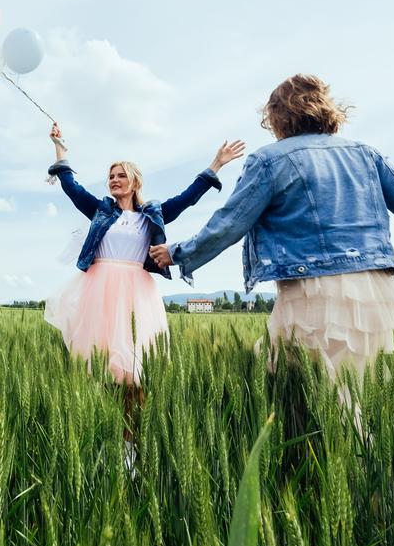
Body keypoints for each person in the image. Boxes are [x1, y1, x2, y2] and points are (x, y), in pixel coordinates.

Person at [149, 74, 394, 385]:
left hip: (313, 287)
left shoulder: (270, 160)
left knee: (302, 392)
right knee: (339, 389)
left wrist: (178, 253)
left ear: (277, 116)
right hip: (373, 290)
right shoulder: (366, 154)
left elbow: (231, 222)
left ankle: (318, 448)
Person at [44, 122, 245, 386]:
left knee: (133, 354)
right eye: (111, 176)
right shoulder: (100, 210)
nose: (114, 180)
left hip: (136, 290)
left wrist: (216, 164)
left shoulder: (152, 215)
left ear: (134, 182)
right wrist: (59, 147)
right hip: (99, 288)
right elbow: (72, 187)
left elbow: (187, 198)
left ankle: (132, 406)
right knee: (98, 355)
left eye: (121, 176)